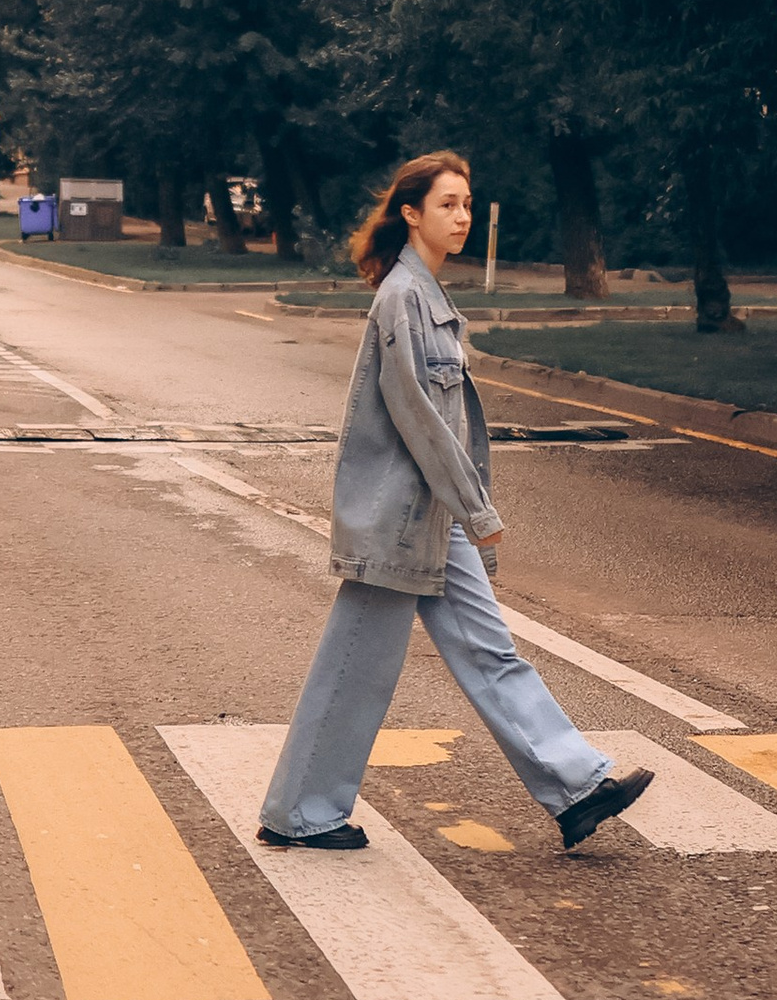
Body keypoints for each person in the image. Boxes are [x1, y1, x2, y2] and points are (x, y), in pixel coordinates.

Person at [256, 150, 653, 856]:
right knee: (355, 665)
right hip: (403, 518)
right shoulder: (404, 298)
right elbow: (419, 417)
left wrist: (463, 513)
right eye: (448, 204)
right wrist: (479, 511)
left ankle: (575, 790)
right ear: (412, 214)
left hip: (430, 518)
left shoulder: (427, 296)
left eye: (467, 203)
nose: (462, 216)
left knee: (490, 650)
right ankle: (300, 814)